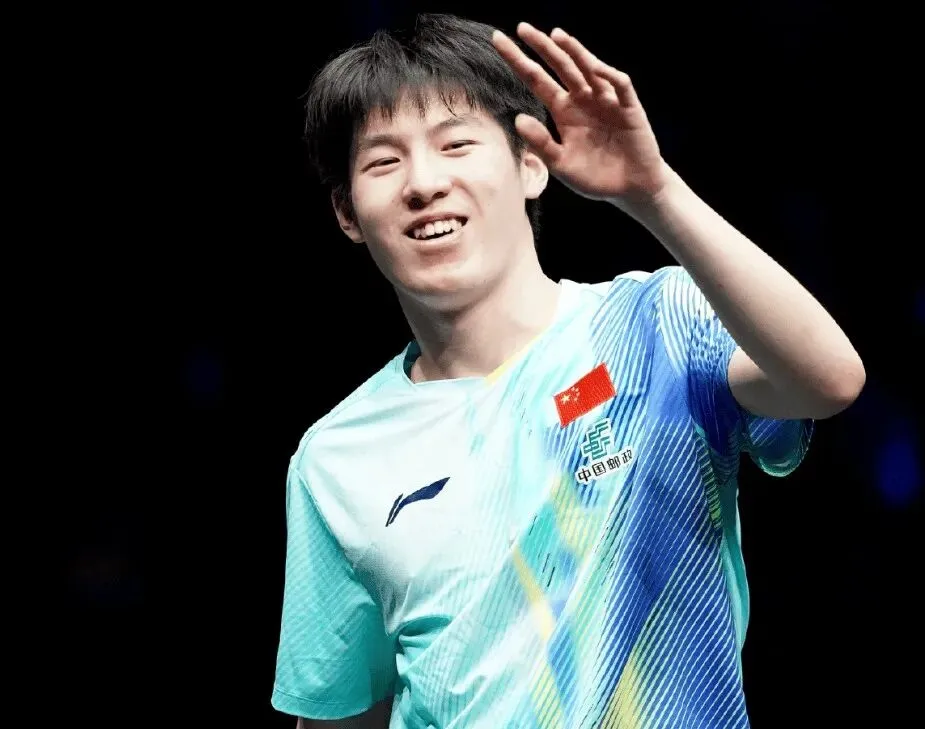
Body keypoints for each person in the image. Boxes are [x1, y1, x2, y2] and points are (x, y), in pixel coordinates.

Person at [271, 13, 864, 729]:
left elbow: (828, 381)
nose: (423, 183)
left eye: (456, 144)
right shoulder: (335, 457)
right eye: (383, 163)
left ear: (529, 163)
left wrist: (655, 193)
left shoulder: (658, 324)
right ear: (347, 213)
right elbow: (339, 715)